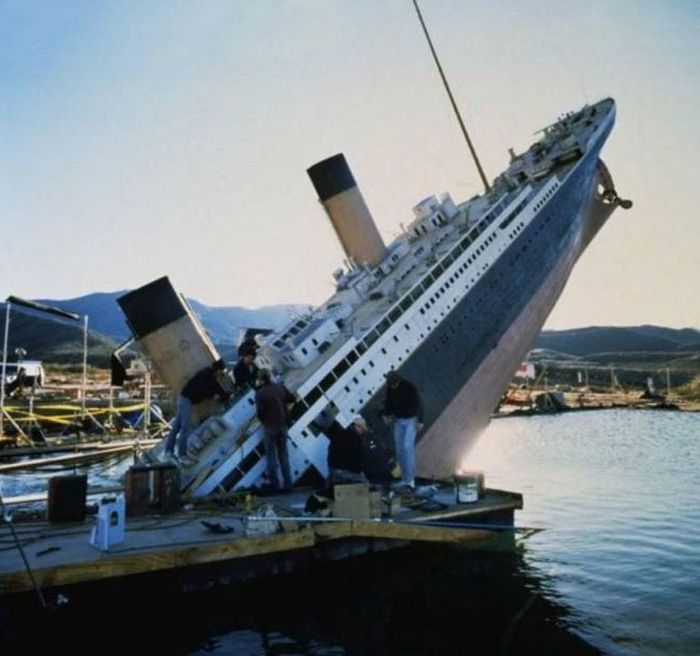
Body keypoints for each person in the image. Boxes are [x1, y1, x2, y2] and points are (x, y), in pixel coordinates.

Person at [164, 359, 230, 461]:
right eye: (222, 371)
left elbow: (217, 388)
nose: (222, 373)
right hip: (187, 400)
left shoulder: (210, 376)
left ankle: (169, 452)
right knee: (184, 427)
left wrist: (226, 395)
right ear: (218, 370)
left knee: (176, 427)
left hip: (184, 399)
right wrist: (213, 395)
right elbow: (203, 389)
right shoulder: (205, 375)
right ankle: (182, 454)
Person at [382, 370, 423, 490]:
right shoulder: (390, 387)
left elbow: (418, 403)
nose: (392, 386)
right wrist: (387, 415)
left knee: (407, 447)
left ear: (397, 381)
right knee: (399, 449)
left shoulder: (409, 387)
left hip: (411, 419)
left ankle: (410, 480)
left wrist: (420, 420)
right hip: (398, 421)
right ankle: (404, 478)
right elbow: (388, 402)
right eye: (390, 384)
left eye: (393, 384)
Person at [255, 368, 295, 491]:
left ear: (260, 379)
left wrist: (264, 421)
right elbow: (292, 398)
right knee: (284, 455)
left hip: (270, 427)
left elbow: (260, 413)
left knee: (271, 456)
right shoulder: (279, 388)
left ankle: (275, 485)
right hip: (283, 425)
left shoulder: (260, 393)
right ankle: (288, 484)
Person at [327, 415, 369, 484]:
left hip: (332, 468)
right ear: (357, 426)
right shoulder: (356, 440)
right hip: (341, 470)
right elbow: (356, 461)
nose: (362, 432)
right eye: (362, 430)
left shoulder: (342, 433)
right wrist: (360, 472)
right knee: (364, 483)